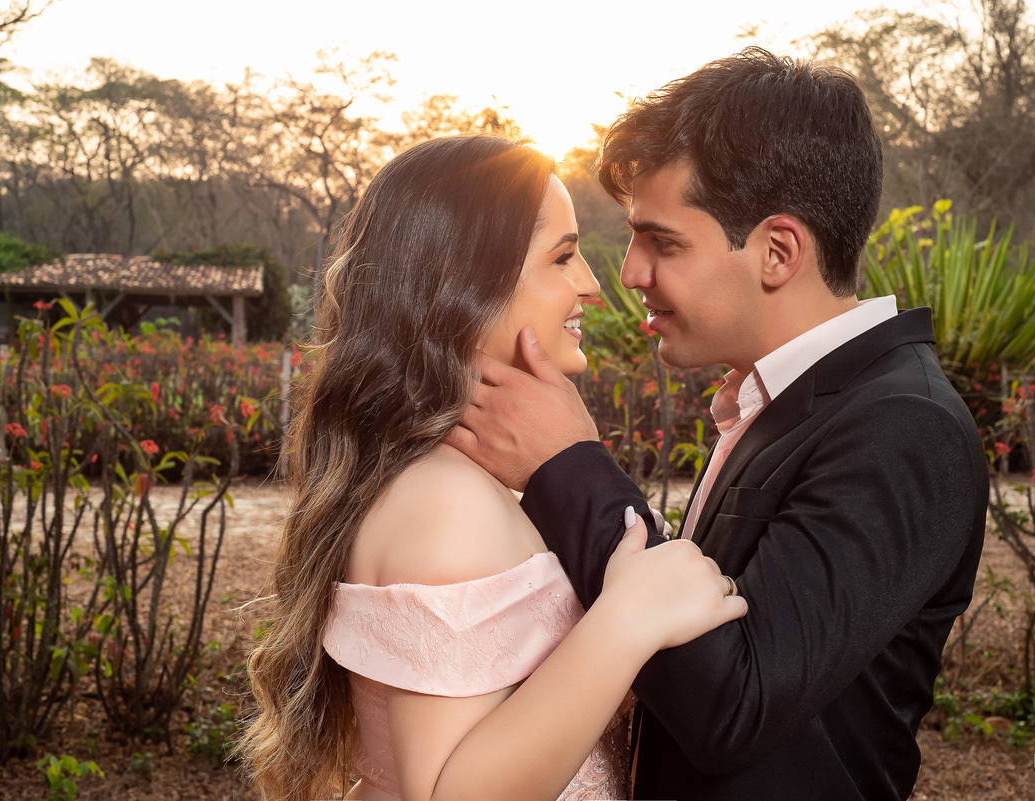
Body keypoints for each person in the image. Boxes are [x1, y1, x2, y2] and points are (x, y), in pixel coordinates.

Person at [447, 49, 989, 800]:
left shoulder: (904, 427)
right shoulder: (776, 400)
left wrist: (567, 465)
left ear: (778, 252)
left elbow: (735, 705)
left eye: (663, 242)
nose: (629, 273)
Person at [240, 134, 747, 801]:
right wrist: (628, 619)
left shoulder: (457, 478)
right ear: (464, 282)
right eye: (562, 257)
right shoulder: (445, 501)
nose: (592, 284)